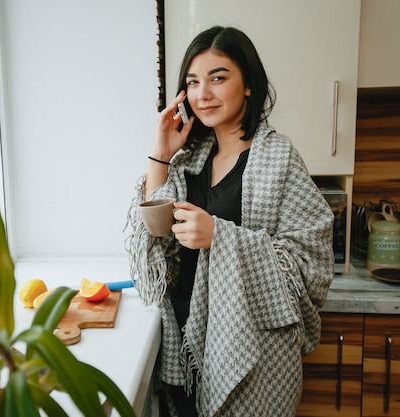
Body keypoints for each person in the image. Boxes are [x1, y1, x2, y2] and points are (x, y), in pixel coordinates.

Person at [126, 26, 334, 417]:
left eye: (218, 78)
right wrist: (160, 154)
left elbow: (313, 267)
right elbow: (154, 237)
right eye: (193, 82)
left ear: (249, 85)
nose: (203, 93)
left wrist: (219, 237)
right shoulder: (189, 160)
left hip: (253, 354)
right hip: (186, 345)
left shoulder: (280, 160)